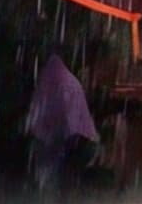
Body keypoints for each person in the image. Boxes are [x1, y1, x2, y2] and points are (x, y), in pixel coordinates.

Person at [27, 50, 99, 193]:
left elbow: (43, 116)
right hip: (80, 139)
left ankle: (50, 194)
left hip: (69, 140)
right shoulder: (68, 81)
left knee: (55, 167)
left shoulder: (51, 83)